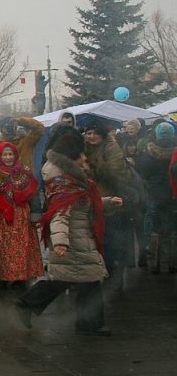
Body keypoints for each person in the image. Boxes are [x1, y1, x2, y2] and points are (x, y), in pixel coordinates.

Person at [16, 126, 115, 336]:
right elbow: (60, 213)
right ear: (72, 157)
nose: (85, 158)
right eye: (81, 155)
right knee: (80, 280)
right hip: (73, 238)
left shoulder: (71, 177)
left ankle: (30, 305)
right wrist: (61, 241)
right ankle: (89, 324)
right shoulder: (64, 181)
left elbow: (84, 203)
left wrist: (107, 202)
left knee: (73, 280)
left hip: (79, 236)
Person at [82, 121, 136, 286]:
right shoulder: (82, 148)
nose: (92, 137)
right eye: (89, 133)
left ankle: (115, 278)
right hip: (92, 201)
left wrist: (90, 169)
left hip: (112, 201)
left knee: (113, 242)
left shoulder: (112, 148)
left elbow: (114, 173)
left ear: (102, 134)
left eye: (95, 133)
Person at [0, 141, 44, 286]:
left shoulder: (24, 171)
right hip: (0, 216)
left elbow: (33, 194)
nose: (8, 157)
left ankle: (21, 277)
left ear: (15, 155)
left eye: (10, 154)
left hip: (21, 216)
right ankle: (2, 277)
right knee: (2, 248)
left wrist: (35, 214)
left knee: (22, 248)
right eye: (4, 154)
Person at [138, 123, 177, 273]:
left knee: (154, 229)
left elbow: (143, 172)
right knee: (172, 229)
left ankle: (153, 264)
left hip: (155, 193)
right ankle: (173, 263)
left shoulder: (149, 151)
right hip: (174, 193)